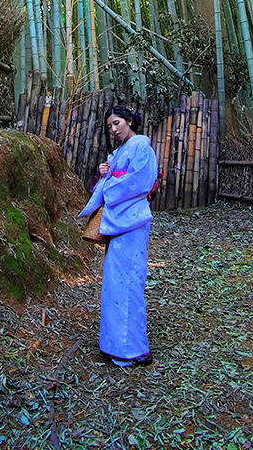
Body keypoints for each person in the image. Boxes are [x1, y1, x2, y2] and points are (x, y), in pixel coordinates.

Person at [78, 104, 158, 367]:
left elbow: (141, 182)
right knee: (115, 282)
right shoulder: (119, 152)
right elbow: (106, 184)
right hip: (119, 220)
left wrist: (110, 180)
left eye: (117, 123)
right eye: (110, 126)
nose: (113, 129)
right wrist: (105, 175)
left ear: (129, 121)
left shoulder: (141, 147)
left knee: (130, 282)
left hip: (132, 222)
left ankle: (133, 350)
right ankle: (113, 345)